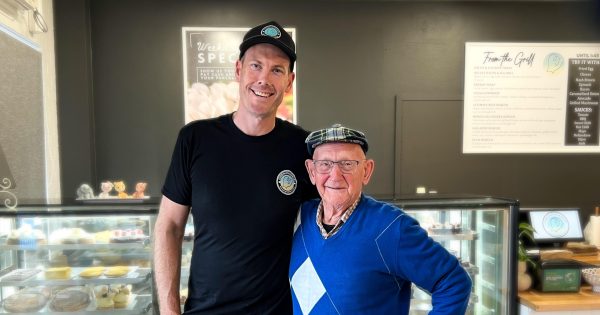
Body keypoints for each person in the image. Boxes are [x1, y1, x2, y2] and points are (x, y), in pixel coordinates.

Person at [154, 21, 316, 315]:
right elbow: (170, 226)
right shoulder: (195, 138)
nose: (264, 79)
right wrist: (169, 310)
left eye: (276, 70)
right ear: (238, 70)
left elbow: (325, 228)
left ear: (289, 82)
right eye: (256, 66)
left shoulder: (302, 147)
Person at [289, 124, 472, 314]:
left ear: (367, 171)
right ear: (312, 171)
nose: (335, 176)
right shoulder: (301, 218)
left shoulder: (392, 228)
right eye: (325, 164)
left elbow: (453, 282)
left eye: (347, 164)